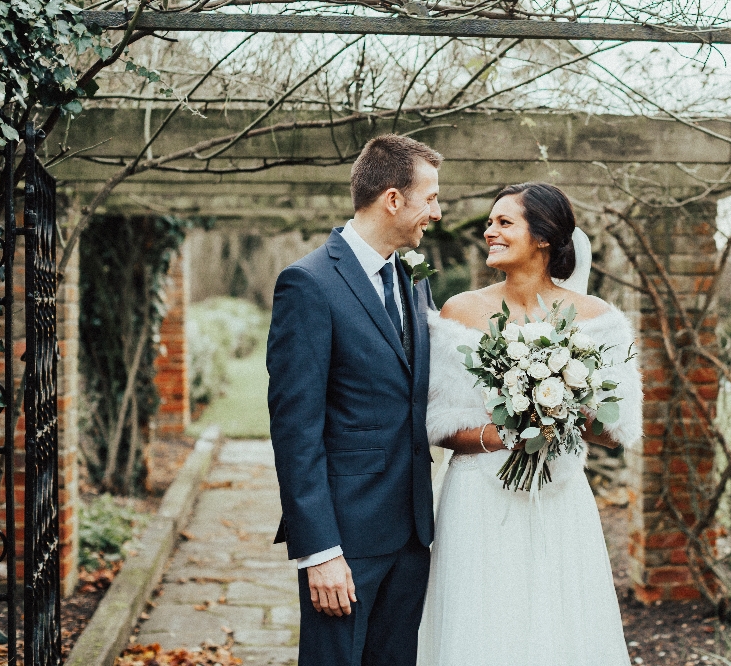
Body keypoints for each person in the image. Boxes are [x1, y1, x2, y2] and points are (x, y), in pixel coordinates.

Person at [417, 182, 643, 666]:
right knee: (479, 624)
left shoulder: (599, 320)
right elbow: (437, 423)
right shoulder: (459, 311)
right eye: (490, 222)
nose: (489, 232)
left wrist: (565, 411)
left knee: (556, 622)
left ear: (542, 237)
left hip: (559, 500)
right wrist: (499, 434)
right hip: (478, 496)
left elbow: (618, 427)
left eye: (504, 222)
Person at [267, 134, 442, 666]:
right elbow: (295, 430)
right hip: (345, 540)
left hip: (410, 536)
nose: (437, 211)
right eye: (430, 198)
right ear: (394, 199)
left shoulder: (412, 280)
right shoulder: (308, 284)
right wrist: (319, 552)